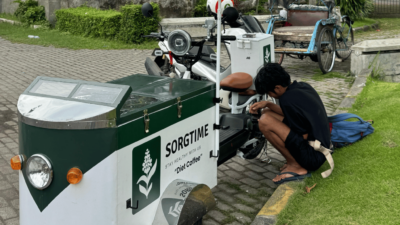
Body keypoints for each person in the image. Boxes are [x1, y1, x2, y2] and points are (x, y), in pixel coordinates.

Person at [250, 63, 331, 184]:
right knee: (267, 112)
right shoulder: (302, 86)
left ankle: (296, 166)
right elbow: (291, 113)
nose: (269, 96)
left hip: (313, 156)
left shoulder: (286, 99)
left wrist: (277, 131)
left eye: (269, 93)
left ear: (277, 88)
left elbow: (301, 137)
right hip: (322, 148)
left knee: (264, 122)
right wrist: (267, 104)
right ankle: (294, 162)